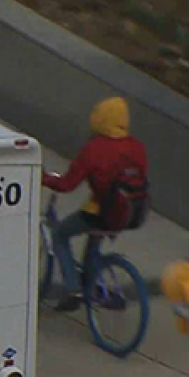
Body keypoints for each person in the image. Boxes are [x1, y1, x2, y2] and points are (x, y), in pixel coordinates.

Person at [42, 96, 149, 311]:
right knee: (94, 241)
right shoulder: (137, 147)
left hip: (104, 211)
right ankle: (91, 286)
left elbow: (67, 185)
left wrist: (43, 178)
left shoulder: (94, 149)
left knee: (60, 234)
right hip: (133, 211)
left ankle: (74, 290)